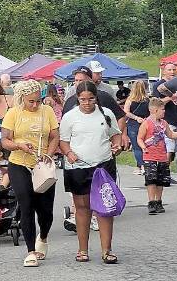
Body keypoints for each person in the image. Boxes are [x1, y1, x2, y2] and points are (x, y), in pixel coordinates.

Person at [59, 81, 123, 263]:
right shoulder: (70, 117)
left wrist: (117, 145)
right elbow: (63, 141)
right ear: (77, 99)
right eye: (82, 100)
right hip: (78, 167)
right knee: (83, 208)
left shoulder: (106, 114)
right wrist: (69, 153)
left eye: (91, 99)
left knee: (105, 208)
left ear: (96, 98)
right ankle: (82, 250)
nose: (87, 103)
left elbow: (115, 134)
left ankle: (107, 250)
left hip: (103, 165)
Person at [1, 79, 60, 268]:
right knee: (26, 205)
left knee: (46, 211)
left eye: (38, 101)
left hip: (42, 166)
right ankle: (30, 251)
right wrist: (18, 145)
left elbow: (55, 136)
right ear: (22, 99)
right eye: (30, 101)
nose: (35, 105)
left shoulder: (47, 111)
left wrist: (48, 155)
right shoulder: (13, 113)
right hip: (19, 164)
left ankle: (43, 236)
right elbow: (5, 141)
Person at [62, 65, 127, 232]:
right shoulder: (70, 101)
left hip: (102, 160)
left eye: (82, 80)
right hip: (78, 163)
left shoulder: (104, 98)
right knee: (81, 202)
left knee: (101, 198)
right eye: (75, 81)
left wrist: (118, 141)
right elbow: (64, 136)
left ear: (90, 81)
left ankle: (100, 223)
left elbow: (119, 119)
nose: (78, 84)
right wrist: (68, 152)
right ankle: (80, 220)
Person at [137, 98, 177, 215]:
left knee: (161, 180)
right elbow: (139, 137)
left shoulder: (164, 123)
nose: (164, 111)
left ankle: (159, 200)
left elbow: (170, 135)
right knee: (151, 179)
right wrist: (143, 146)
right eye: (162, 109)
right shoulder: (146, 123)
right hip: (150, 156)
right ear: (154, 110)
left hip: (162, 155)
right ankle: (151, 202)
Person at [152, 63, 177, 179]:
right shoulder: (159, 85)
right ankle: (163, 173)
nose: (172, 72)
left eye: (174, 69)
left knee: (176, 149)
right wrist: (170, 98)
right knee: (168, 148)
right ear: (164, 71)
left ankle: (169, 172)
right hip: (166, 119)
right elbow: (156, 103)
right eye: (169, 70)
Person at [124, 80, 150, 175]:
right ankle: (143, 165)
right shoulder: (147, 100)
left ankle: (141, 165)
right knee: (144, 145)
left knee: (136, 147)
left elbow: (126, 112)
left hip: (133, 123)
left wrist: (135, 117)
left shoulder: (130, 100)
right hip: (145, 123)